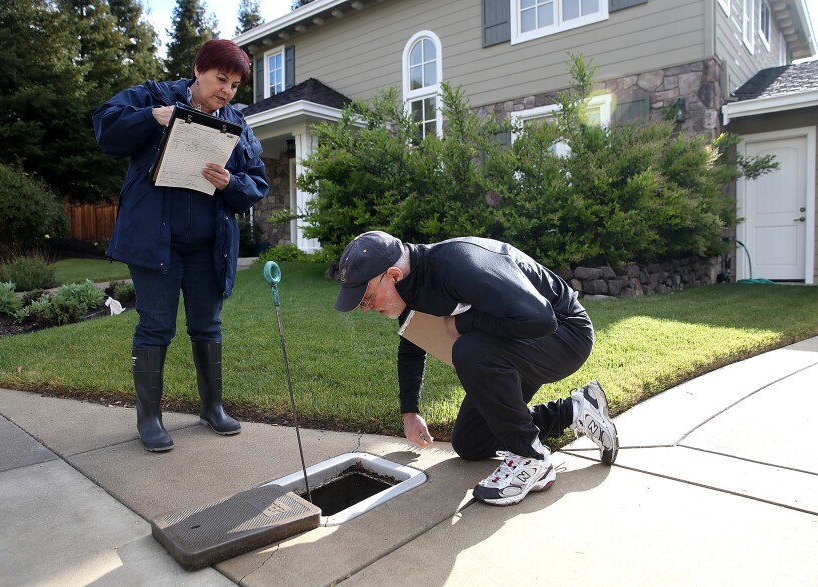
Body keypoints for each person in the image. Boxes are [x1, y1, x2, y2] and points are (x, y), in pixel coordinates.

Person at [334, 231, 619, 506]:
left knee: (469, 351)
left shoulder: (459, 264)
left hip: (565, 334)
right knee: (471, 442)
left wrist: (464, 324)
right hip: (517, 344)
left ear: (393, 275)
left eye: (367, 297)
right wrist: (410, 412)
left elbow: (540, 318)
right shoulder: (411, 286)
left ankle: (531, 459)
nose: (365, 308)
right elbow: (412, 345)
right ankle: (576, 410)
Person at [93, 40, 269, 452]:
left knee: (208, 326)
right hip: (156, 243)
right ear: (197, 70)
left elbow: (257, 181)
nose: (226, 91)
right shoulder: (154, 96)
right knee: (155, 326)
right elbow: (106, 127)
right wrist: (153, 118)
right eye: (220, 79)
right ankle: (149, 419)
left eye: (235, 85)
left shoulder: (238, 125)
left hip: (210, 247)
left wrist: (232, 183)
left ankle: (212, 408)